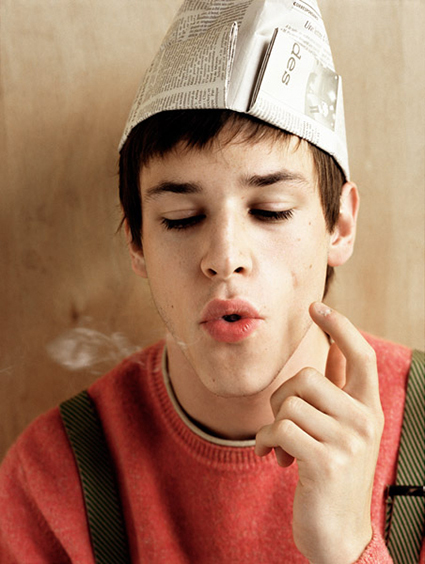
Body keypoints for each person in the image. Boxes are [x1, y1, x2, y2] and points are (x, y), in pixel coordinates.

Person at [0, 1, 423, 563]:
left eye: (270, 210)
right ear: (137, 241)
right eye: (181, 219)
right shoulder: (51, 479)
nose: (225, 259)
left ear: (340, 226)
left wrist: (350, 549)